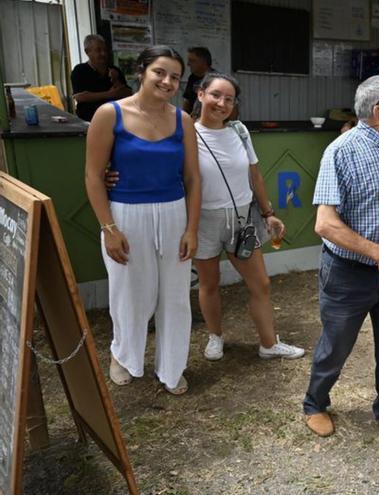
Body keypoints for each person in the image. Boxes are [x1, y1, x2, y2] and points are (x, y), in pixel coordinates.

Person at [303, 75, 379, 441]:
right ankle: (315, 403)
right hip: (348, 273)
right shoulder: (341, 151)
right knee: (336, 345)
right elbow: (325, 224)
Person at [84, 45, 200, 395]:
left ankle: (171, 365)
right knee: (129, 292)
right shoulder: (110, 114)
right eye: (160, 72)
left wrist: (191, 229)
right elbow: (92, 175)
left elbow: (193, 178)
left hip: (173, 212)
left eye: (175, 77)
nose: (167, 81)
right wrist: (109, 228)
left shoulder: (182, 119)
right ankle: (123, 355)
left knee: (176, 296)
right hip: (125, 214)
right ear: (141, 71)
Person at [187, 73, 306, 361]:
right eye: (216, 95)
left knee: (260, 283)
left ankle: (269, 343)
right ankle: (215, 336)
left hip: (242, 220)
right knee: (209, 283)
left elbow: (255, 174)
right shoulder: (186, 133)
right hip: (203, 220)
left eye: (229, 99)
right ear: (201, 94)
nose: (222, 103)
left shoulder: (239, 131)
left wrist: (268, 213)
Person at [71, 34, 132, 121]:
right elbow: (80, 97)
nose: (103, 53)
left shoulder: (114, 70)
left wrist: (116, 80)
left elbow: (129, 93)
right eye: (98, 50)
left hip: (115, 118)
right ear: (87, 51)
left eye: (105, 50)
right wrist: (109, 94)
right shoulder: (80, 70)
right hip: (90, 119)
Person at [182, 47, 215, 114]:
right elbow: (187, 100)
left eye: (192, 61)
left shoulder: (217, 79)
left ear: (203, 62)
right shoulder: (192, 78)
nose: (188, 64)